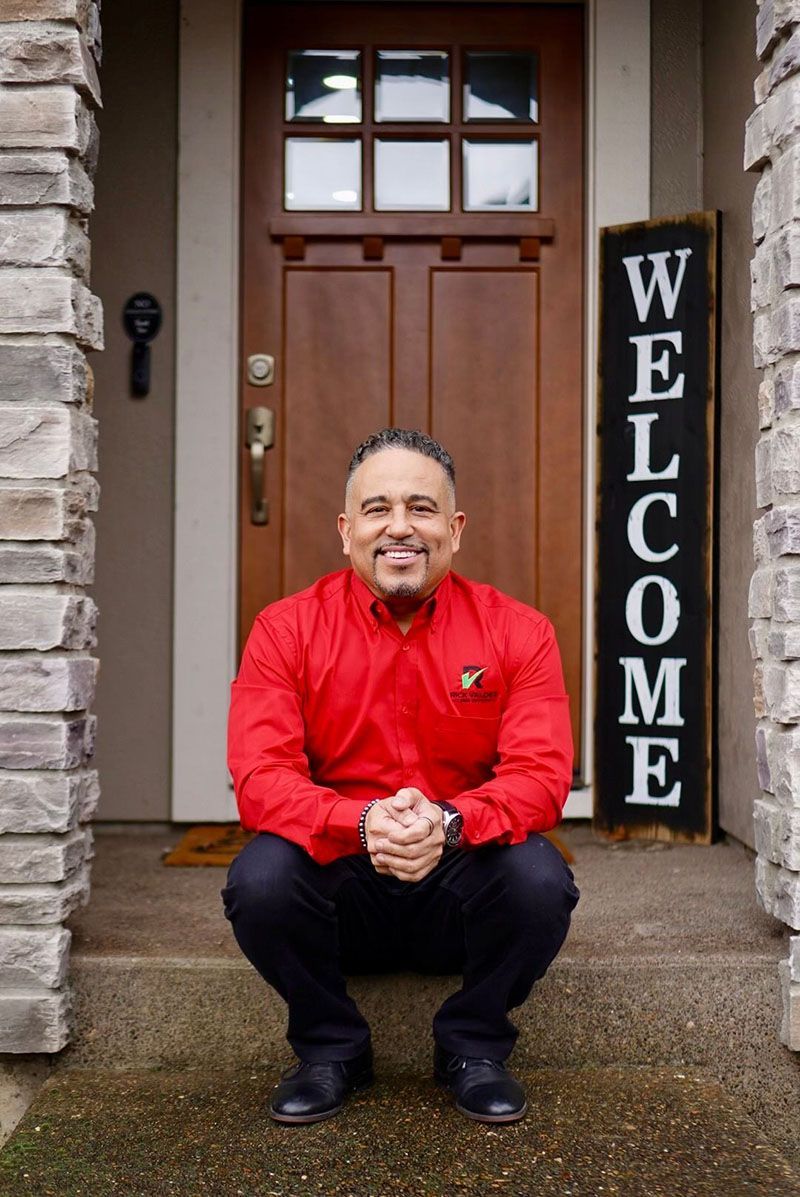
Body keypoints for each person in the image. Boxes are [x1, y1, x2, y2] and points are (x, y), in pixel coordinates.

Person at [223, 428, 579, 1126]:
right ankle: (331, 1049)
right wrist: (359, 822)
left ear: (454, 527)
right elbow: (260, 776)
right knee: (259, 878)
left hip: (459, 888)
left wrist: (449, 823)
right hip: (343, 888)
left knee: (541, 878)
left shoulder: (520, 632)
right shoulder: (285, 630)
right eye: (378, 507)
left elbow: (541, 775)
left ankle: (473, 1046)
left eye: (420, 507)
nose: (399, 527)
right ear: (347, 529)